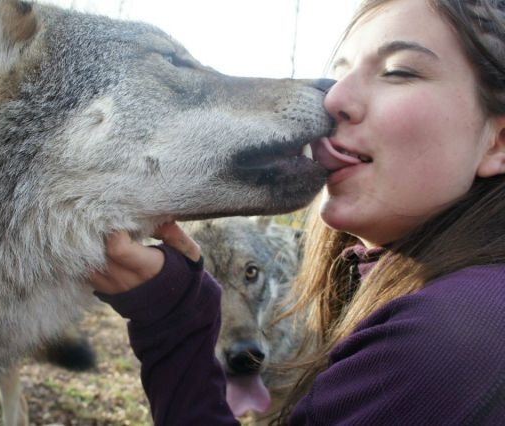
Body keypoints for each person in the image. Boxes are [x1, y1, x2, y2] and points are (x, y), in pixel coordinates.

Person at [89, 0, 505, 424]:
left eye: (398, 71)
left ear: (498, 140)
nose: (332, 97)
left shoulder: (449, 337)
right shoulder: (434, 295)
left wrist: (171, 320)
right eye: (340, 73)